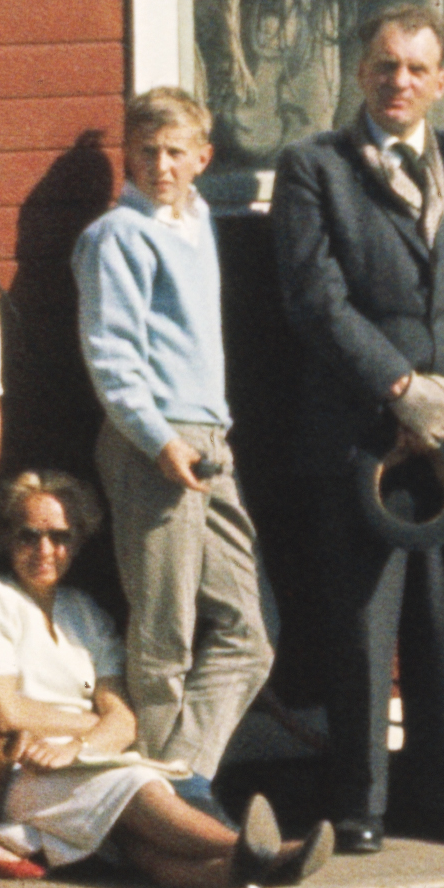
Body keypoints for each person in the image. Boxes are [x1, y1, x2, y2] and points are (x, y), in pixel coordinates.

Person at [270, 6, 444, 856]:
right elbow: (315, 298)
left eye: (417, 68)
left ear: (442, 79)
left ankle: (442, 796)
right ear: (358, 72)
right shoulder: (314, 169)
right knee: (362, 628)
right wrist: (400, 388)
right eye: (384, 66)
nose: (399, 81)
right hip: (360, 433)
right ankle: (360, 802)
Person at [72, 88, 274, 779]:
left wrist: (211, 428)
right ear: (128, 157)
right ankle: (163, 816)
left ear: (202, 159)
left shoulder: (196, 221)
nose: (161, 165)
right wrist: (161, 440)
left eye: (175, 152)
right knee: (164, 636)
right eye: (147, 152)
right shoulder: (114, 237)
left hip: (208, 439)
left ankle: (181, 780)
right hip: (151, 445)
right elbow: (113, 356)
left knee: (249, 633)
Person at [0, 470, 311, 888]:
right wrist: (88, 728)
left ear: (77, 541)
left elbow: (121, 717)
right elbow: (5, 710)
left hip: (79, 759)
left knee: (140, 847)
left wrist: (80, 746)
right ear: (8, 538)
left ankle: (241, 871)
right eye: (29, 536)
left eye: (60, 537)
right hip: (20, 769)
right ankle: (254, 848)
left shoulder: (83, 613)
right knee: (134, 784)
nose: (45, 549)